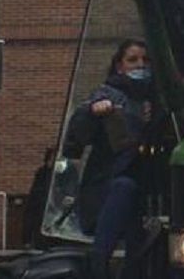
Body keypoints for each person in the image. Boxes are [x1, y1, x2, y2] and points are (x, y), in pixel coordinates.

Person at [64, 39, 155, 279]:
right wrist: (95, 110)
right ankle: (98, 263)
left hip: (145, 194)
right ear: (119, 66)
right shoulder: (109, 94)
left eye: (145, 60)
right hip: (108, 191)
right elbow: (76, 135)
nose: (140, 65)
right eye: (132, 60)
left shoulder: (158, 98)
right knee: (125, 189)